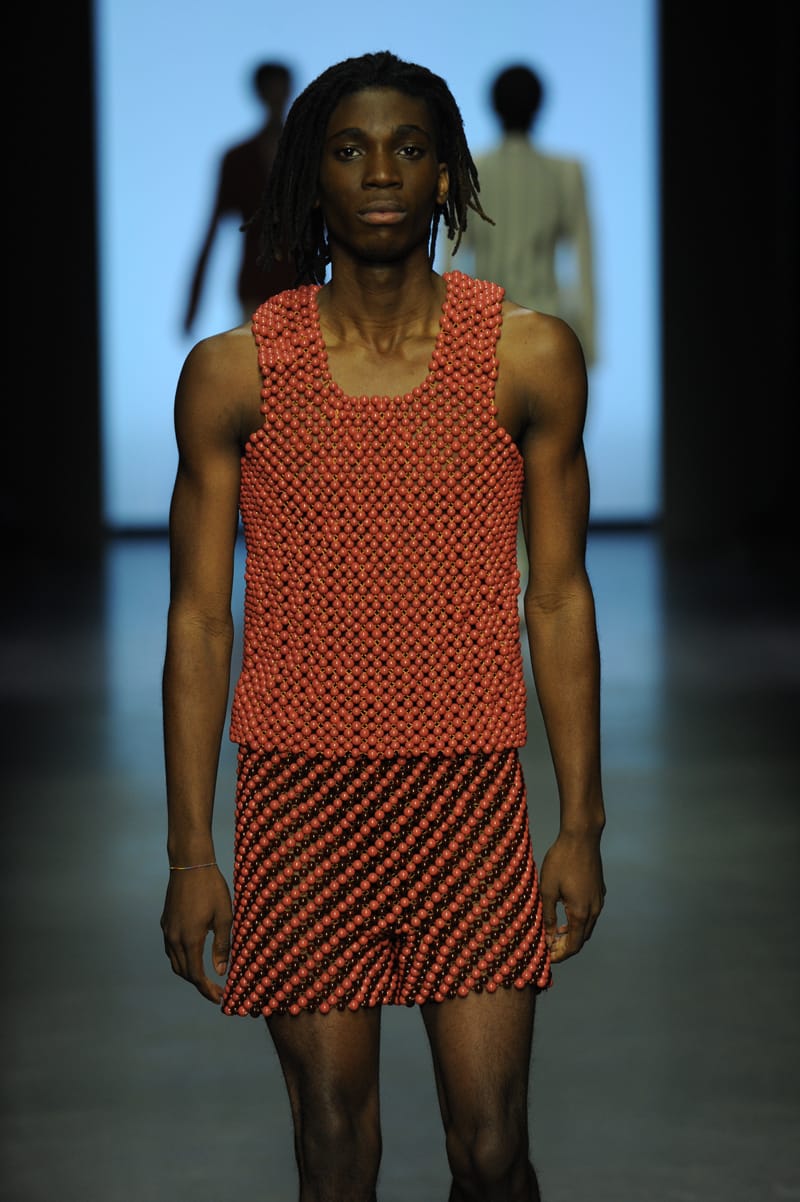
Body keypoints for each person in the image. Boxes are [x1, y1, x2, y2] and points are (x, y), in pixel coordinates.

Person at [161, 49, 606, 1202]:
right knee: (332, 1146)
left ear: (444, 175)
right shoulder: (236, 375)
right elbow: (200, 620)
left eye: (407, 149)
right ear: (310, 176)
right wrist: (192, 850)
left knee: (491, 1149)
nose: (378, 174)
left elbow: (558, 596)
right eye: (349, 150)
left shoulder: (523, 357)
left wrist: (580, 819)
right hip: (300, 799)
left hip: (466, 792)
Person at [452, 64, 598, 367]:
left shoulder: (471, 171)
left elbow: (452, 261)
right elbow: (583, 262)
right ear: (539, 106)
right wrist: (588, 345)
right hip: (548, 327)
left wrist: (450, 339)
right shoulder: (565, 173)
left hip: (485, 333)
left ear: (493, 106)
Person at [182, 60, 297, 334]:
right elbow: (213, 228)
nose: (276, 97)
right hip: (255, 287)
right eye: (271, 89)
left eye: (280, 89)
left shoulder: (307, 155)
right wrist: (193, 304)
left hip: (300, 286)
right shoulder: (238, 159)